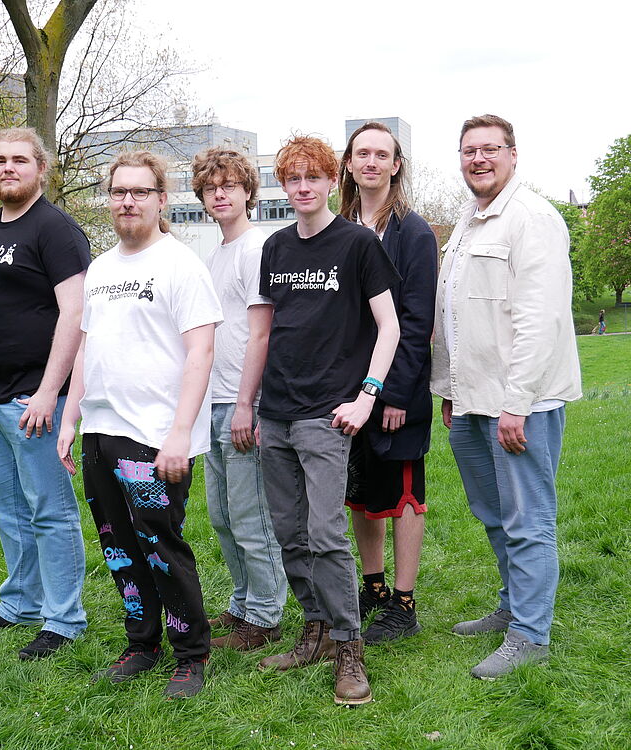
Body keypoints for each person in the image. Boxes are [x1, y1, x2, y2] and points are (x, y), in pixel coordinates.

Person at [57, 150, 223, 700]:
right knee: (118, 546)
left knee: (161, 546)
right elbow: (85, 349)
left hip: (154, 437)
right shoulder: (100, 270)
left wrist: (180, 434)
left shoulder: (181, 265)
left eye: (140, 192)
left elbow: (201, 353)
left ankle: (191, 653)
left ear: (160, 200)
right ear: (109, 199)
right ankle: (142, 641)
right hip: (102, 434)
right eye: (119, 192)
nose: (128, 201)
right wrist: (71, 416)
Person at [430, 114, 582, 679]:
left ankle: (530, 634)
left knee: (527, 519)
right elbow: (455, 312)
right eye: (469, 151)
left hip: (520, 404)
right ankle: (512, 605)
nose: (479, 159)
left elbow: (539, 321)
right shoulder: (470, 223)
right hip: (472, 402)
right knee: (493, 514)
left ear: (513, 155)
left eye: (490, 150)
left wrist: (516, 402)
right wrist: (448, 389)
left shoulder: (531, 219)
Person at [256, 135, 400, 706]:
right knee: (289, 533)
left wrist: (367, 395)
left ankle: (349, 645)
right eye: (293, 179)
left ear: (329, 180)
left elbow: (390, 326)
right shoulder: (276, 248)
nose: (303, 188)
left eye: (313, 177)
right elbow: (266, 332)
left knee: (324, 533)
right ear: (284, 185)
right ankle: (313, 627)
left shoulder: (358, 244)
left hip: (328, 413)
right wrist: (250, 406)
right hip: (277, 412)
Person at [0, 126, 90, 661]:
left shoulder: (56, 230)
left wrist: (48, 392)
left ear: (41, 168)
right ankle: (21, 603)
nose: (7, 168)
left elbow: (77, 314)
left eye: (19, 159)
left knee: (49, 510)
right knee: (3, 504)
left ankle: (64, 619)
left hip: (33, 398)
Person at [338, 122, 437, 643]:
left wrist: (395, 394)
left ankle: (404, 602)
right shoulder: (337, 228)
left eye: (382, 154)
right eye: (362, 153)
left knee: (403, 498)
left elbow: (417, 320)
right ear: (349, 164)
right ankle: (372, 587)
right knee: (360, 495)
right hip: (347, 391)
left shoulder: (414, 233)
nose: (371, 162)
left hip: (396, 392)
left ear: (396, 165)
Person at [191, 147, 287, 651]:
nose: (220, 194)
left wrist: (247, 404)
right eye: (210, 188)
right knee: (222, 515)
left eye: (229, 185)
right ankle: (243, 601)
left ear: (248, 190)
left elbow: (261, 335)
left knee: (252, 517)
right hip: (212, 402)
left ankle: (267, 616)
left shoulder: (256, 249)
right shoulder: (218, 253)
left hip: (242, 403)